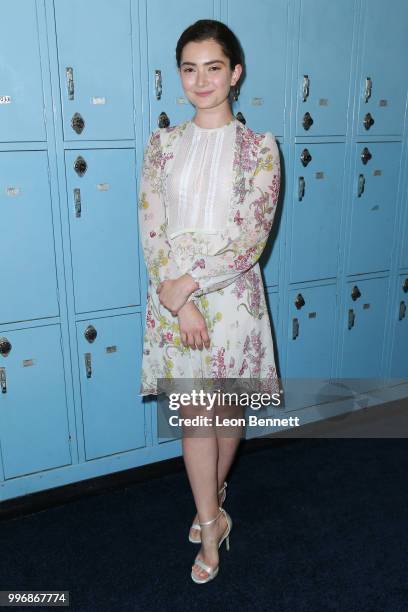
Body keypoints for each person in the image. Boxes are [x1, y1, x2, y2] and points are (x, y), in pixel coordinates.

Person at [138, 19, 281, 583]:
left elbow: (251, 239)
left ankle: (215, 497)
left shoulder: (261, 150)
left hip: (232, 300)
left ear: (235, 73)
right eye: (190, 69)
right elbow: (152, 226)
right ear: (180, 76)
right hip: (175, 302)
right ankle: (210, 522)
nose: (201, 80)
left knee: (228, 413)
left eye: (213, 67)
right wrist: (178, 296)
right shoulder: (162, 145)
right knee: (197, 418)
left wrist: (192, 284)